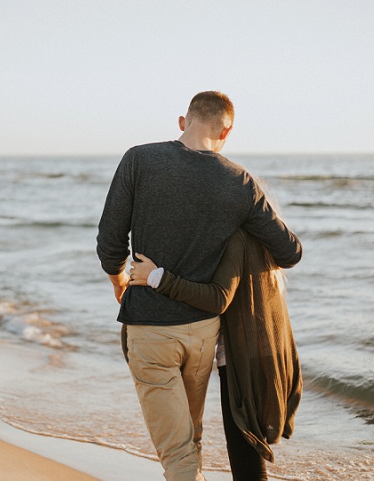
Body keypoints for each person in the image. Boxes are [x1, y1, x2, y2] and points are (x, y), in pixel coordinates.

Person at [96, 91, 302, 481]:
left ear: (182, 122)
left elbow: (110, 243)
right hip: (204, 334)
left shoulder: (138, 159)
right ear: (226, 132)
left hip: (150, 329)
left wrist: (119, 281)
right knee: (190, 440)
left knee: (179, 455)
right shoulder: (238, 181)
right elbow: (289, 251)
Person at [128, 229, 302, 481]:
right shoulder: (264, 235)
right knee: (249, 459)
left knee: (247, 465)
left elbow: (218, 298)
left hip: (240, 360)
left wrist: (157, 278)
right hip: (269, 349)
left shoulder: (236, 237)